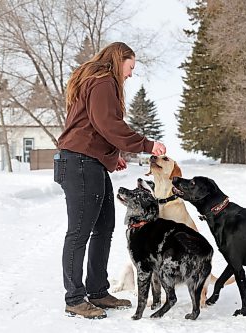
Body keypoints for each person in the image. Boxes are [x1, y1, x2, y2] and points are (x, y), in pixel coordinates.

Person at [54, 41, 166, 319]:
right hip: (79, 163)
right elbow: (108, 124)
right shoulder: (103, 81)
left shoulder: (99, 81)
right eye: (130, 67)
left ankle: (97, 290)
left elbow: (93, 125)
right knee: (79, 232)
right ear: (119, 60)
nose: (130, 74)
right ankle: (74, 298)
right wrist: (146, 144)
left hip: (89, 161)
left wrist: (110, 155)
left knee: (104, 227)